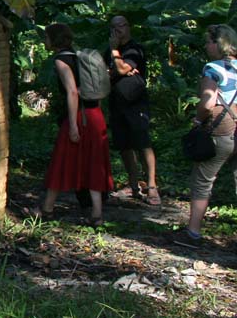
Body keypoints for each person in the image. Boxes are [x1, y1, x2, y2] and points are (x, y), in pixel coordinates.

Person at [37, 23, 114, 225]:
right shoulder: (78, 56)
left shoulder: (62, 61)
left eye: (46, 38)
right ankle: (97, 213)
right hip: (95, 115)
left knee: (62, 161)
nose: (44, 41)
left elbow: (72, 92)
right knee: (94, 162)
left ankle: (47, 209)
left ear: (54, 40)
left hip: (80, 117)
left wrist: (72, 125)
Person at [172, 24, 237, 248]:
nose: (206, 46)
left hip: (221, 131)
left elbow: (208, 103)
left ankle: (193, 233)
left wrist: (199, 120)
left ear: (218, 44)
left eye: (208, 42)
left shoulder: (213, 68)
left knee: (202, 181)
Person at [105, 15, 160, 206]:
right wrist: (118, 66)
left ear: (128, 27)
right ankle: (133, 184)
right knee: (124, 146)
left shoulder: (134, 49)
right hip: (116, 103)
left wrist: (117, 58)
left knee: (142, 142)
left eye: (121, 26)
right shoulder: (109, 52)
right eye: (114, 27)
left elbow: (120, 70)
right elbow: (109, 72)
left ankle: (152, 186)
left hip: (136, 103)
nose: (117, 30)